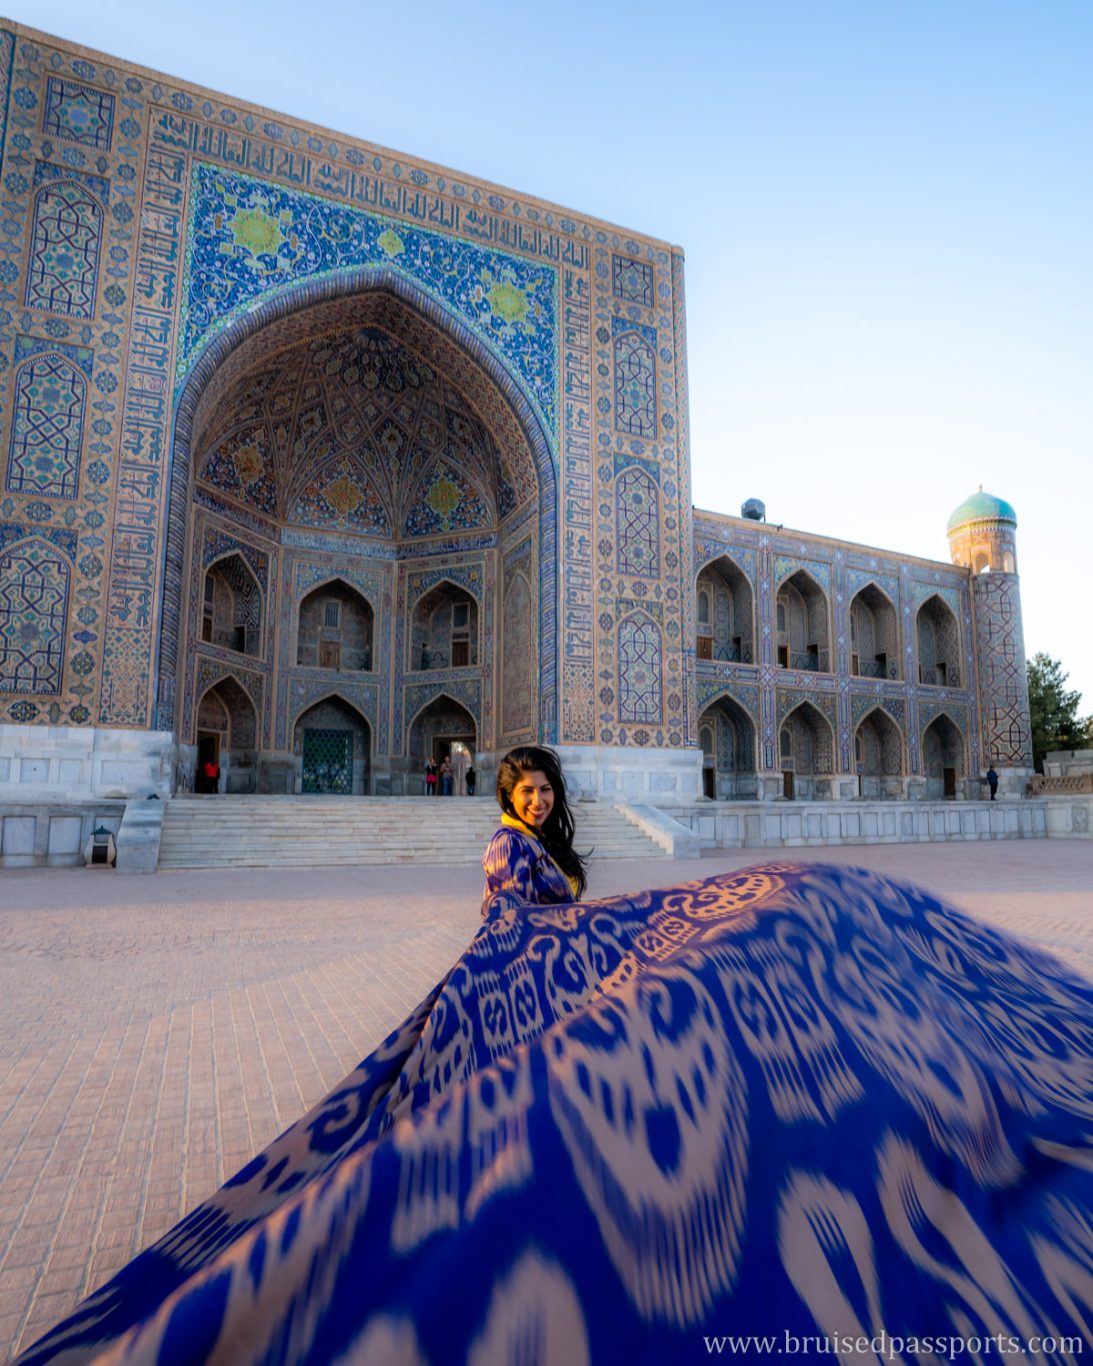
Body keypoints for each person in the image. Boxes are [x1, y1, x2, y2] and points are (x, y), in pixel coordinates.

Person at [481, 745, 588, 913]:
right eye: (527, 791)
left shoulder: (543, 837)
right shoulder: (508, 845)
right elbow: (514, 922)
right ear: (510, 794)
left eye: (545, 789)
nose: (538, 801)